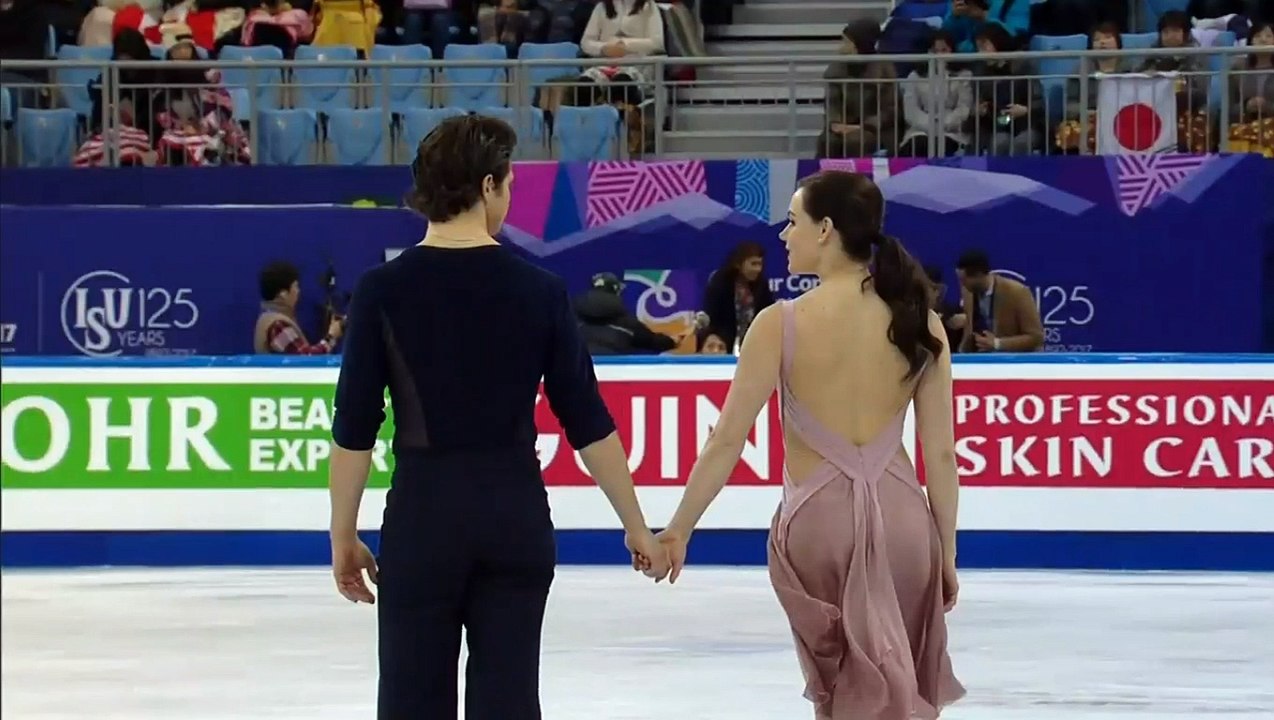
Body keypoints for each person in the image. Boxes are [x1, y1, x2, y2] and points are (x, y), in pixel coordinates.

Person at [326, 114, 668, 720]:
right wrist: (636, 525)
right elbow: (586, 419)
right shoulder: (539, 290)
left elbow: (355, 426)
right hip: (514, 519)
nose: (508, 196)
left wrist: (343, 536)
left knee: (411, 702)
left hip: (423, 521)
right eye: (508, 184)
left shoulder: (382, 290)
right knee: (508, 702)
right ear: (487, 185)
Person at [641, 171, 965, 720]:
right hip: (907, 523)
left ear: (826, 229)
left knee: (843, 696)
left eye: (793, 222)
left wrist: (679, 529)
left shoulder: (779, 323)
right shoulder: (921, 321)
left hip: (819, 522)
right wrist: (947, 553)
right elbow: (941, 455)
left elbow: (727, 440)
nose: (784, 235)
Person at [954, 249, 1044, 352]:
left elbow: (1036, 337)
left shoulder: (1017, 293)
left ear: (978, 275)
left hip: (1012, 359)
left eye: (963, 280)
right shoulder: (968, 292)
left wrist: (997, 344)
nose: (961, 284)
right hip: (978, 358)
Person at [574, 272, 683, 355]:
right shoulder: (627, 323)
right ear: (616, 291)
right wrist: (672, 341)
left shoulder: (571, 317)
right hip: (612, 372)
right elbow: (651, 340)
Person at [701, 241, 776, 353]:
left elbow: (767, 312)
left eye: (760, 264)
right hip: (723, 345)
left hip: (753, 344)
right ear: (738, 264)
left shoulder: (762, 284)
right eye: (753, 264)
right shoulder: (720, 281)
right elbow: (712, 315)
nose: (758, 269)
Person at [255, 261, 343, 354]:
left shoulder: (269, 317)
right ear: (283, 294)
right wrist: (332, 336)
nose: (298, 291)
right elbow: (305, 359)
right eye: (296, 286)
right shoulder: (277, 324)